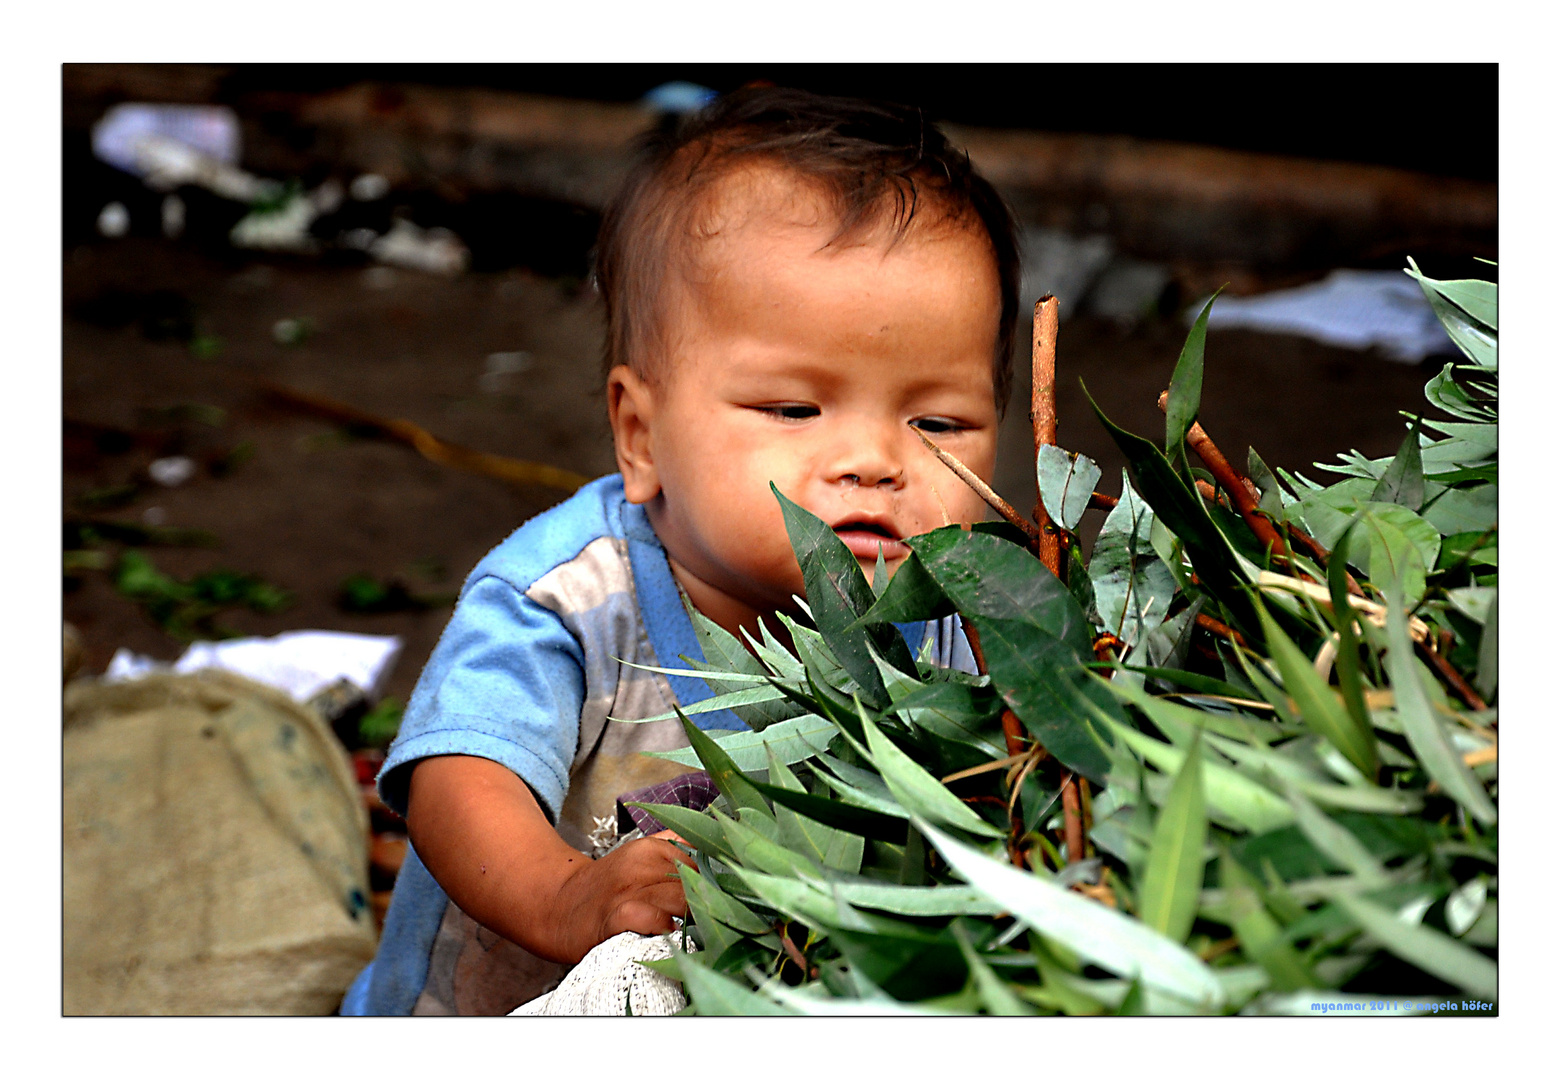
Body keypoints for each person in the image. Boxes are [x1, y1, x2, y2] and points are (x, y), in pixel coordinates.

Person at [340, 85, 1021, 1015]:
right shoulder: (569, 600)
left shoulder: (952, 616)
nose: (875, 462)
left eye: (939, 420)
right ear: (641, 435)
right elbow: (459, 779)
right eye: (793, 408)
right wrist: (569, 894)